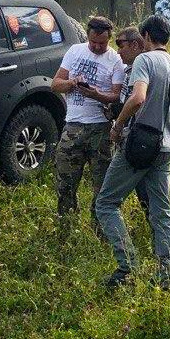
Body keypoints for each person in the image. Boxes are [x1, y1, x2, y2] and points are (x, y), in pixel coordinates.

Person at [95, 14, 170, 290]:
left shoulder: (144, 60)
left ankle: (127, 265)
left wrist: (118, 125)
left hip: (138, 146)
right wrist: (164, 127)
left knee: (106, 203)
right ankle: (166, 274)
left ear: (147, 37)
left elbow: (137, 98)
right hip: (165, 148)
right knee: (161, 211)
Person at [51, 16, 125, 232]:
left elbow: (116, 96)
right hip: (73, 125)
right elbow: (56, 84)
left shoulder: (115, 61)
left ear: (109, 40)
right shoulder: (75, 51)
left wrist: (97, 95)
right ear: (88, 36)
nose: (97, 46)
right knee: (65, 181)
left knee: (101, 184)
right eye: (93, 42)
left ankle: (100, 229)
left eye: (102, 43)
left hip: (100, 129)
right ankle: (66, 225)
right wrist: (72, 83)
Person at [111, 27, 151, 216]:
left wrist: (118, 127)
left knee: (107, 199)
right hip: (138, 139)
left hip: (136, 139)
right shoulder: (129, 70)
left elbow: (137, 100)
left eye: (121, 44)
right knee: (146, 192)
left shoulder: (142, 69)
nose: (118, 50)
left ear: (136, 44)